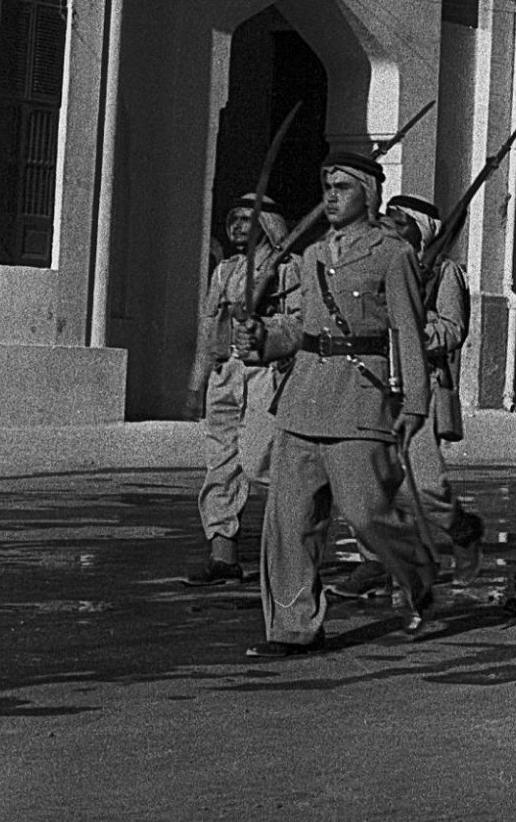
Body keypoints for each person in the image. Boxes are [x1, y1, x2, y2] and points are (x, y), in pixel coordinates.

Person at [233, 150, 435, 656]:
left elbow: (408, 331)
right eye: (326, 186)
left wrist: (414, 403)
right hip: (302, 399)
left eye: (341, 187)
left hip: (359, 398)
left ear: (368, 193)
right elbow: (299, 328)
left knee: (368, 515)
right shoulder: (313, 256)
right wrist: (260, 336)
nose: (330, 196)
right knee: (290, 522)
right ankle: (294, 627)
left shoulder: (393, 254)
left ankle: (415, 569)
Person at [328, 194, 483, 598]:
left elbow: (452, 330)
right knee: (367, 478)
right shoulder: (373, 263)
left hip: (418, 384)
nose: (387, 225)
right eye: (386, 219)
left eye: (398, 222)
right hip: (370, 380)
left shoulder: (443, 273)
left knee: (426, 484)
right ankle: (374, 561)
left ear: (419, 231)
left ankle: (461, 530)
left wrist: (411, 324)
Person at [183, 194, 295, 585]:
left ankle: (295, 547)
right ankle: (222, 556)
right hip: (225, 374)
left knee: (259, 460)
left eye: (249, 219)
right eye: (235, 218)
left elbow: (297, 325)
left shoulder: (289, 271)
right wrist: (198, 382)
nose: (239, 226)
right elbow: (208, 325)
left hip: (264, 373)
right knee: (221, 465)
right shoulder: (224, 271)